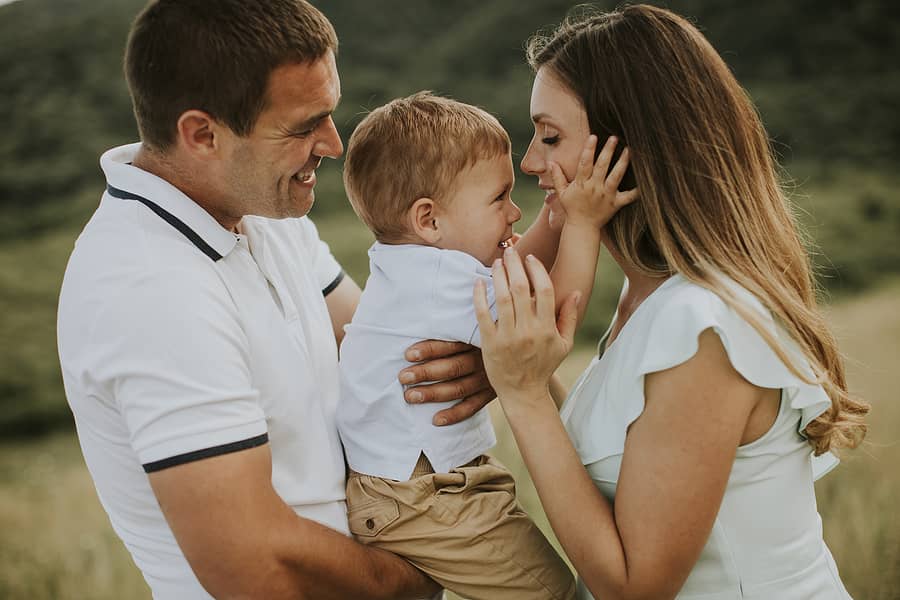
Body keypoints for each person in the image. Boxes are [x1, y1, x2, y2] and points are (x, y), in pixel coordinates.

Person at [55, 2, 506, 598]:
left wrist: (479, 364)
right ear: (202, 134)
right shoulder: (147, 290)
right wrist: (413, 582)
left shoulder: (263, 210)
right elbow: (250, 563)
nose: (334, 144)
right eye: (304, 126)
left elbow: (385, 345)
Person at [461, 5, 869, 600]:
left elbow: (636, 588)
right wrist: (520, 370)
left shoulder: (703, 327)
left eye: (550, 136)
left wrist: (523, 396)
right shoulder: (648, 295)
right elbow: (626, 454)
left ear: (626, 146)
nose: (529, 162)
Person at [336, 92, 634, 599]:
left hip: (416, 487)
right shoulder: (437, 278)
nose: (515, 212)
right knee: (552, 593)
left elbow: (514, 273)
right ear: (429, 220)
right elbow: (550, 314)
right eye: (500, 199)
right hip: (420, 496)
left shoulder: (415, 264)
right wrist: (583, 224)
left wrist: (555, 218)